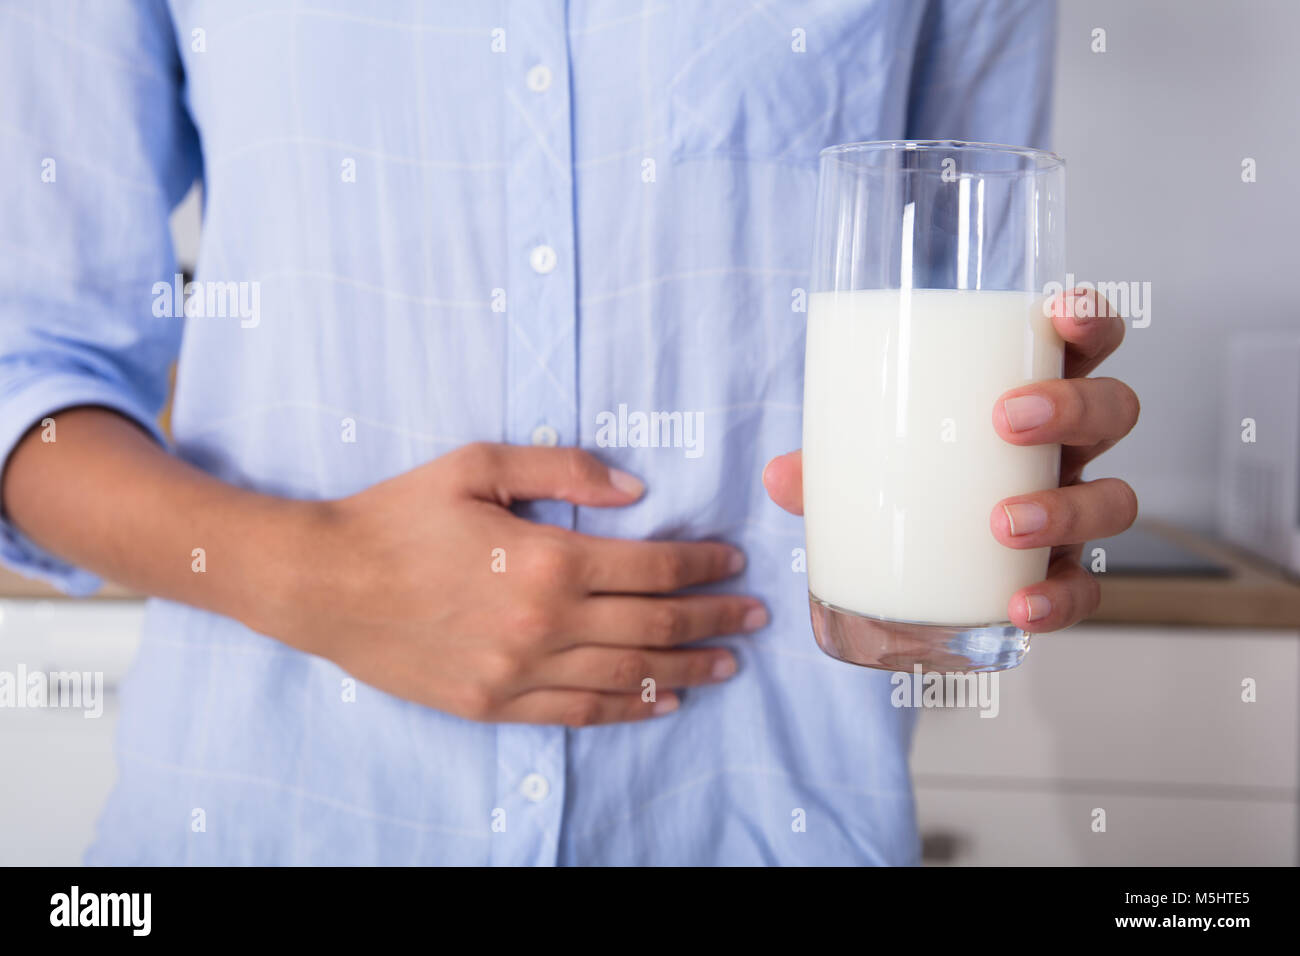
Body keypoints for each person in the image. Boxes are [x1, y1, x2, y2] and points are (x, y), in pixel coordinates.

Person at [0, 0, 1136, 864]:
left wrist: (1003, 491)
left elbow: (964, 317)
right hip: (265, 819)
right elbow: (29, 378)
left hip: (759, 823)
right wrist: (319, 575)